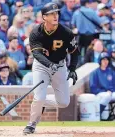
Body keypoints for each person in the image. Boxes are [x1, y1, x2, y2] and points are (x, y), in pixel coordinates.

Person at [23, 2, 79, 134]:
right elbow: (36, 54)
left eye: (57, 13)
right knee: (39, 97)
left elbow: (75, 52)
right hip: (41, 66)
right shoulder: (36, 32)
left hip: (59, 66)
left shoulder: (66, 32)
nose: (56, 16)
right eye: (52, 14)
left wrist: (72, 68)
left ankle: (39, 100)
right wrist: (49, 64)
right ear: (44, 17)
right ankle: (31, 124)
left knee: (64, 102)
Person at [90, 52, 115, 118]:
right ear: (100, 61)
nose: (105, 61)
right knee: (107, 96)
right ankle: (97, 114)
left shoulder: (111, 72)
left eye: (107, 60)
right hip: (99, 94)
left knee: (109, 95)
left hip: (111, 93)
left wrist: (111, 90)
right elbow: (93, 87)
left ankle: (110, 116)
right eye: (103, 60)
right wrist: (105, 91)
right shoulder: (95, 72)